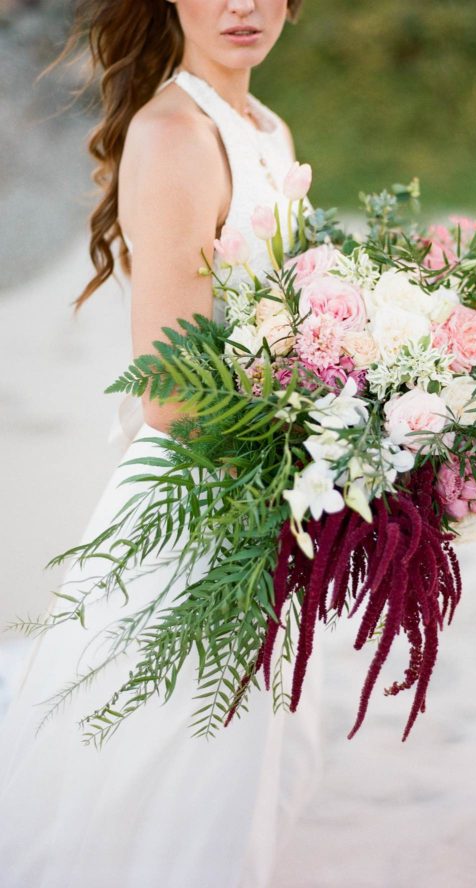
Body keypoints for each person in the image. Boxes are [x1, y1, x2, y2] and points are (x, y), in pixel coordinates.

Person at [0, 2, 324, 886]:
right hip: (202, 497)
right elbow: (174, 393)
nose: (242, 7)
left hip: (269, 490)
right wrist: (323, 431)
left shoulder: (265, 126)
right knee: (177, 787)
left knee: (233, 773)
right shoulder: (175, 134)